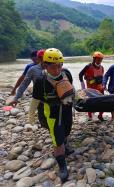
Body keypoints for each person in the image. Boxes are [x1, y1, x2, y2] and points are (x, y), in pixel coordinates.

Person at [30, 48, 75, 183]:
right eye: (52, 67)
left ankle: (64, 144)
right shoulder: (40, 81)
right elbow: (35, 100)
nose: (56, 70)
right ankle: (62, 165)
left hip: (67, 110)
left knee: (67, 130)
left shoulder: (66, 73)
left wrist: (78, 99)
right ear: (45, 65)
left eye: (59, 66)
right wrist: (30, 115)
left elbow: (72, 89)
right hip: (53, 115)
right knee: (57, 140)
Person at [79, 51, 105, 121]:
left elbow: (101, 78)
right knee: (90, 103)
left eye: (101, 60)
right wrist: (83, 86)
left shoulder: (102, 67)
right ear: (94, 59)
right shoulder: (88, 66)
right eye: (98, 59)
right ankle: (90, 117)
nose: (99, 61)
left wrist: (103, 86)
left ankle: (100, 115)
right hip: (90, 89)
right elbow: (80, 75)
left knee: (102, 102)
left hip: (99, 88)